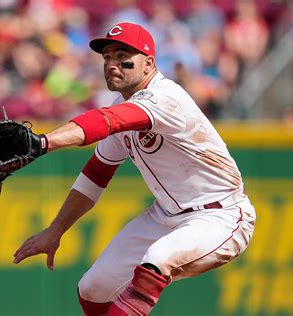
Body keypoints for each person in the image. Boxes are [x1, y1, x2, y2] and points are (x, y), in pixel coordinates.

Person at [13, 22, 256, 315]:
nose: (112, 64)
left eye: (122, 56)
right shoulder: (123, 103)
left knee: (157, 259)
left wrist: (43, 142)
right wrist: (56, 230)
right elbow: (96, 175)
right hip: (165, 215)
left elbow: (106, 121)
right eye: (107, 58)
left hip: (220, 216)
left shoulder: (166, 97)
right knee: (94, 286)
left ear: (148, 64)